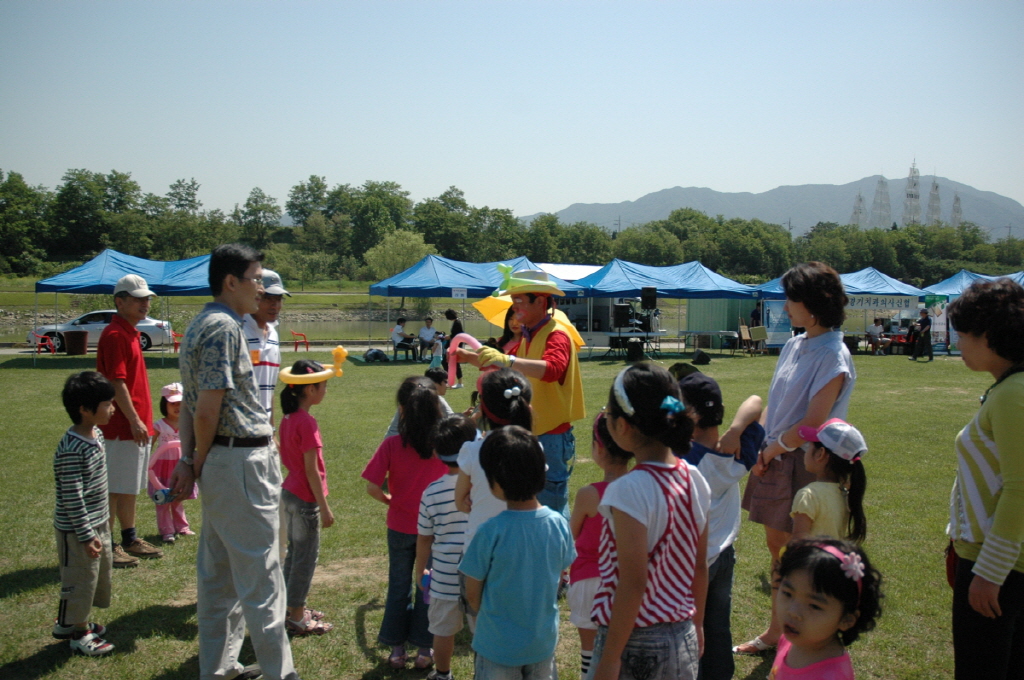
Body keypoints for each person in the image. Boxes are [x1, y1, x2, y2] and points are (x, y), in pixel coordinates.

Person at [169, 243, 297, 680]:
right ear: (231, 282)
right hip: (240, 461)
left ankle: (219, 667)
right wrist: (198, 461)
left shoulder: (199, 323)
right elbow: (205, 408)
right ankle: (282, 673)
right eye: (257, 279)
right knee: (263, 579)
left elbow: (190, 405)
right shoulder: (224, 327)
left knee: (219, 578)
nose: (262, 288)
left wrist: (191, 461)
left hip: (224, 463)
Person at [736, 261, 856, 657]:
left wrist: (771, 450)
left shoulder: (833, 354)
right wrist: (760, 448)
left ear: (814, 303)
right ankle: (777, 632)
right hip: (775, 457)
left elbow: (813, 423)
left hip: (805, 463)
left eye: (792, 298)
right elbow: (776, 402)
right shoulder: (794, 343)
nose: (785, 306)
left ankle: (803, 637)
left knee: (804, 557)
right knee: (778, 547)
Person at [589, 363, 711, 680]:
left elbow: (633, 583)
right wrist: (697, 624)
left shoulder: (627, 490)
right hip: (682, 633)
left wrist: (610, 658)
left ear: (623, 426)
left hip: (634, 642)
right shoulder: (695, 479)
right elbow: (700, 566)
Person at [945, 278, 1024, 678]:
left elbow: (1020, 490)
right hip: (989, 560)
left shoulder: (1014, 394)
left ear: (989, 334)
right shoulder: (1006, 388)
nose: (957, 344)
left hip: (1001, 569)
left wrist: (989, 573)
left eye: (962, 335)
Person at [459, 268, 585, 517]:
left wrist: (507, 360)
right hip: (533, 431)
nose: (514, 307)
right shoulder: (529, 335)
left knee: (551, 505)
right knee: (528, 502)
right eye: (513, 300)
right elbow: (507, 368)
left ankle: (559, 553)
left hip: (551, 435)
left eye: (518, 300)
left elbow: (552, 370)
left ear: (540, 301)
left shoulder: (557, 334)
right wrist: (475, 358)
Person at [459, 425, 576, 680]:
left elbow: (472, 592)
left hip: (496, 646)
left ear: (495, 482)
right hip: (542, 643)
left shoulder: (489, 531)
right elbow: (561, 571)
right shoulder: (558, 523)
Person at [677, 373, 764, 680]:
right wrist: (737, 430)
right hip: (725, 553)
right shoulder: (739, 452)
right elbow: (757, 403)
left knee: (688, 629)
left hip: (692, 562)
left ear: (689, 415)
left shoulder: (683, 460)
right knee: (717, 624)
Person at [362, 376, 448, 669]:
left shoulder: (392, 444)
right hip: (435, 530)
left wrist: (390, 500)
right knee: (429, 585)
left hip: (399, 526)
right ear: (437, 409)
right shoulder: (442, 446)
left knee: (399, 585)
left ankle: (396, 649)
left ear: (402, 410)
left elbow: (372, 487)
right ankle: (425, 650)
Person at [96, 273, 162, 567]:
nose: (144, 304)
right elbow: (116, 381)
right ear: (119, 302)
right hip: (121, 428)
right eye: (137, 299)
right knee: (113, 488)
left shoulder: (130, 333)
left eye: (146, 298)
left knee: (129, 486)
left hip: (135, 426)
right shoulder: (115, 335)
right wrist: (135, 420)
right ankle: (107, 544)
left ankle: (129, 537)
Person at [52, 371, 117, 656]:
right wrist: (87, 534)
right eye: (107, 404)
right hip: (78, 531)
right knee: (80, 578)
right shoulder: (71, 448)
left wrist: (101, 525)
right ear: (85, 409)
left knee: (95, 577)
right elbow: (71, 496)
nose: (112, 409)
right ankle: (79, 633)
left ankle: (72, 622)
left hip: (97, 523)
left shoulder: (97, 434)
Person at [568, 412, 632, 679]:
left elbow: (571, 536)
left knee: (589, 649)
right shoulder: (640, 489)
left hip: (587, 580)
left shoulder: (588, 495)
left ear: (598, 447)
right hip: (627, 582)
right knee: (621, 649)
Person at [414, 414, 478, 680]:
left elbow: (424, 538)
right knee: (482, 631)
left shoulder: (431, 492)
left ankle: (443, 674)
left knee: (442, 630)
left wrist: (420, 572)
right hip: (479, 574)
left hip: (443, 575)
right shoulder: (483, 488)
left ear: (437, 453)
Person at [278, 360, 335, 636]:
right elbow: (312, 471)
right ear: (310, 390)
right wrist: (324, 509)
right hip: (303, 499)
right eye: (323, 386)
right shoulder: (307, 422)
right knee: (304, 559)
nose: (326, 391)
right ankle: (298, 617)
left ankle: (289, 608)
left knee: (293, 554)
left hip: (288, 493)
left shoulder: (288, 418)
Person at [771, 538, 883, 679]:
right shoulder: (790, 639)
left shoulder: (832, 676)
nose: (793, 612)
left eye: (814, 606)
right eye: (787, 594)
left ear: (846, 619)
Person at [454, 368, 533, 553]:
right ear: (527, 407)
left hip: (479, 547)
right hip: (522, 547)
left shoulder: (471, 451)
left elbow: (460, 502)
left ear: (482, 408)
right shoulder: (535, 449)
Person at [791, 419, 868, 543]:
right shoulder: (846, 493)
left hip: (812, 561)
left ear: (820, 454)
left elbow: (798, 544)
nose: (805, 452)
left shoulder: (808, 495)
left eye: (809, 446)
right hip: (834, 560)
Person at [148, 382, 197, 544]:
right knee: (163, 500)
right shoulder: (159, 425)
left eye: (180, 403)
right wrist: (148, 465)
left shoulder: (188, 424)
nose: (177, 407)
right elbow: (150, 445)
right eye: (173, 403)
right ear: (165, 404)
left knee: (178, 498)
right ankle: (166, 530)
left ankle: (182, 527)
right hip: (162, 466)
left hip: (179, 465)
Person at [243, 269, 289, 423]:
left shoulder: (273, 334)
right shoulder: (238, 331)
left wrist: (272, 430)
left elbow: (269, 389)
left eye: (279, 299)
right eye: (268, 298)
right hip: (240, 430)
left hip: (263, 429)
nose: (275, 305)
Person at [384, 367, 454, 439]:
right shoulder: (436, 399)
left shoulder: (413, 395)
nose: (447, 386)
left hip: (392, 440)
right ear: (435, 383)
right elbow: (454, 422)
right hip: (403, 442)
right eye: (445, 382)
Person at [443, 309, 464, 388]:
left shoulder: (457, 323)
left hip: (456, 345)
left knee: (451, 362)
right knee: (448, 362)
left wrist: (448, 337)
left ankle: (458, 382)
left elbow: (456, 334)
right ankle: (452, 380)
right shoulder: (456, 322)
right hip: (454, 344)